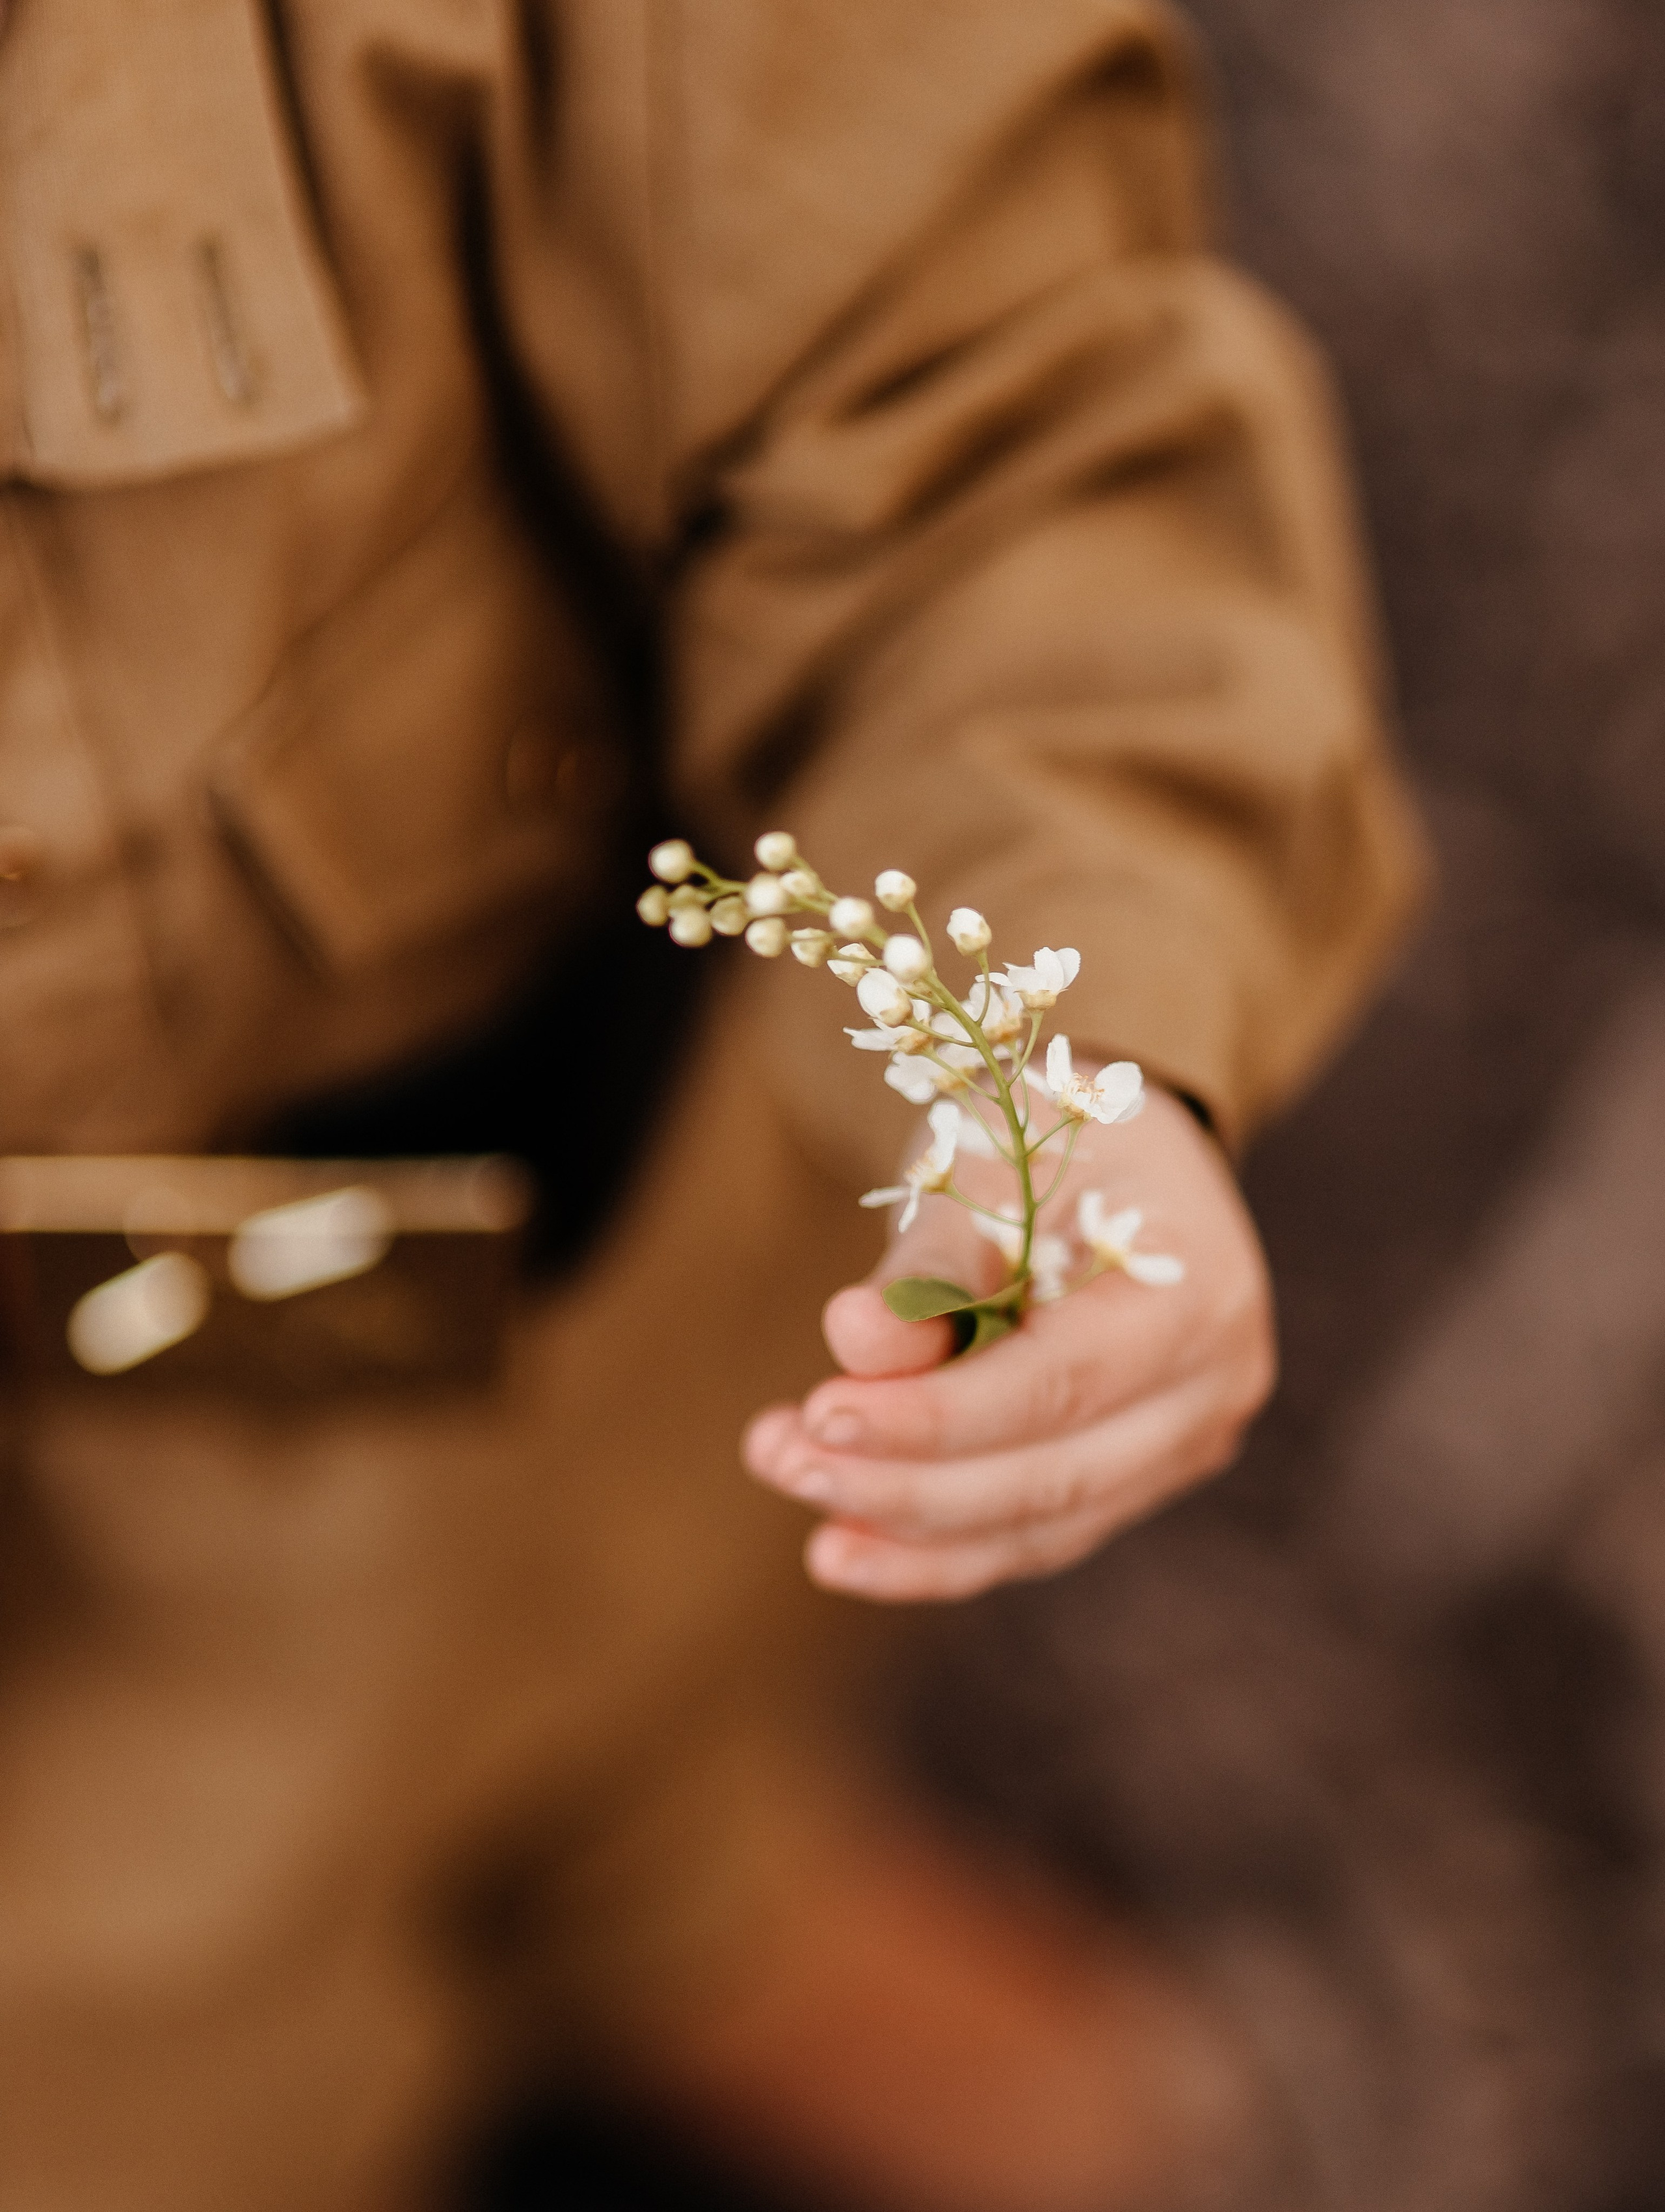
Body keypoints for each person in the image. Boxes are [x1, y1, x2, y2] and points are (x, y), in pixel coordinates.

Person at [0, 2, 1423, 2207]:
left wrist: (1051, 1051)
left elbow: (989, 406)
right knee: (132, 2029)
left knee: (677, 1555)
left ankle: (673, 1888)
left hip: (519, 1196)